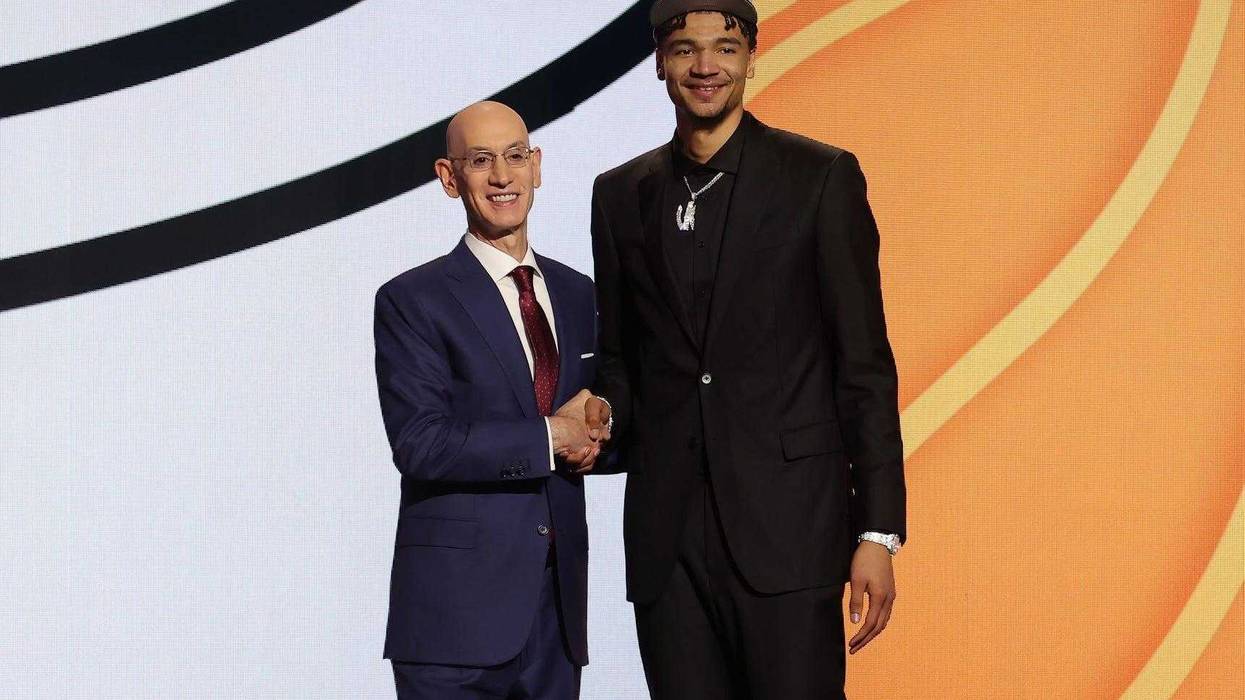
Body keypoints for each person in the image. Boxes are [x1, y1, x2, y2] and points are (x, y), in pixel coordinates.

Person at [584, 1, 907, 697]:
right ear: (659, 64)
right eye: (685, 50)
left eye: (724, 48)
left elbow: (864, 367)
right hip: (667, 546)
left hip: (788, 530)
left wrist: (877, 532)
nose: (706, 66)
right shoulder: (617, 195)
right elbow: (620, 358)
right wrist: (599, 416)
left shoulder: (818, 178)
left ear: (751, 58)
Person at [373, 101, 601, 699]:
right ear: (450, 178)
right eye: (480, 161)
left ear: (538, 166)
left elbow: (591, 421)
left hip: (556, 621)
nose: (502, 176)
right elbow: (421, 443)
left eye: (515, 156)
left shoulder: (580, 294)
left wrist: (603, 427)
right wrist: (551, 436)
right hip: (454, 627)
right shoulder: (412, 300)